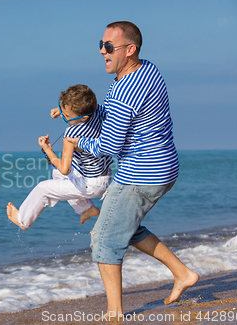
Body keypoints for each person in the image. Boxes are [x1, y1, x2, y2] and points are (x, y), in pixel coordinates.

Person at [65, 21, 199, 320]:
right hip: (164, 167)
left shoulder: (125, 89)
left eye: (109, 46)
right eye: (100, 44)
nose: (102, 51)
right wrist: (83, 113)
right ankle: (183, 273)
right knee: (124, 224)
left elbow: (110, 144)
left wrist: (76, 140)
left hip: (141, 174)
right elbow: (117, 113)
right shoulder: (147, 70)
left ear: (130, 49)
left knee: (104, 239)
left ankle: (114, 314)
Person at [7, 84, 112, 230]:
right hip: (103, 174)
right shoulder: (97, 113)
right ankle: (87, 209)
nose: (63, 116)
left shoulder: (71, 135)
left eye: (66, 115)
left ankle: (23, 221)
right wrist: (61, 109)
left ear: (83, 117)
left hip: (92, 184)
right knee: (56, 174)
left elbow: (65, 169)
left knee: (43, 187)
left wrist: (47, 149)